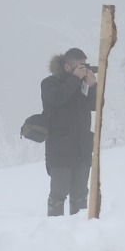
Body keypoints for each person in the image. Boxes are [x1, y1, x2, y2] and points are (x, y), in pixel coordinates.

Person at [41, 47, 97, 216]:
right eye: (80, 66)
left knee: (80, 195)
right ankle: (53, 233)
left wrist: (93, 85)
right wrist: (74, 79)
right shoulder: (49, 83)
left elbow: (95, 106)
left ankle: (79, 235)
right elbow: (57, 99)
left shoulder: (83, 84)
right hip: (60, 151)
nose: (83, 69)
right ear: (67, 67)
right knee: (59, 194)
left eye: (85, 66)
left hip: (82, 149)